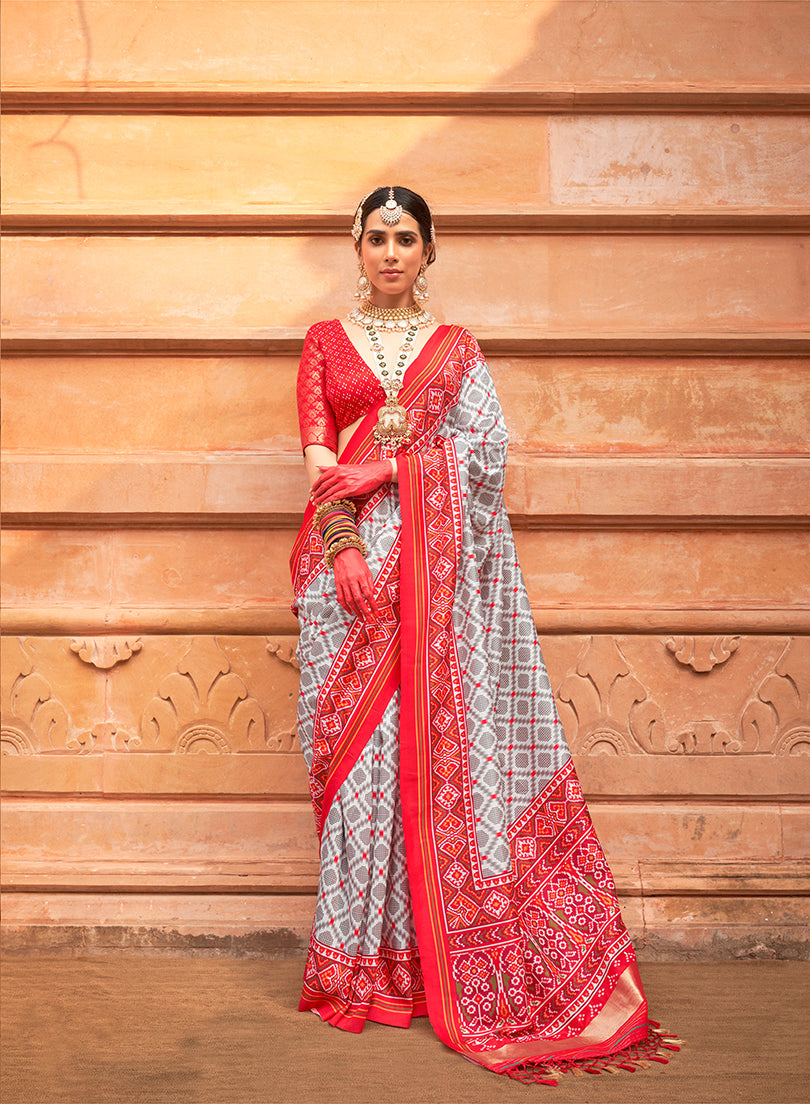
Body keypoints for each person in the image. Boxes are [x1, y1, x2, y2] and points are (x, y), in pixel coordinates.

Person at [289, 186, 677, 1083]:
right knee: (359, 776)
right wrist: (345, 546)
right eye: (378, 238)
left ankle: (430, 969)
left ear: (430, 252)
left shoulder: (456, 351)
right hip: (343, 581)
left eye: (407, 239)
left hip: (442, 587)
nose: (391, 252)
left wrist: (394, 464)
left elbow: (489, 453)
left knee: (420, 762)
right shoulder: (322, 344)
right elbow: (317, 462)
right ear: (356, 247)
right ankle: (358, 968)